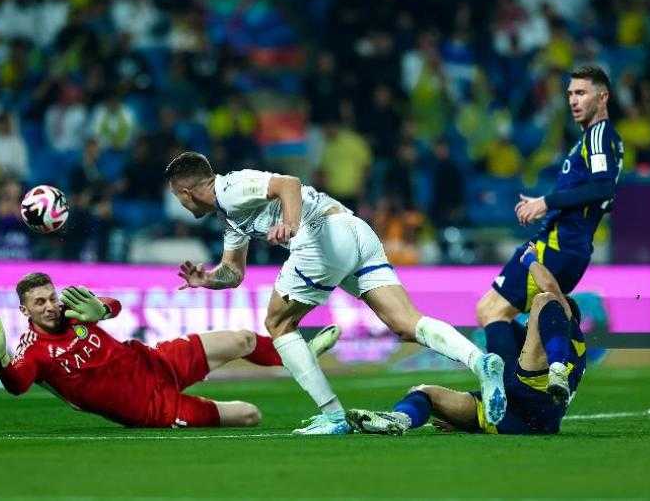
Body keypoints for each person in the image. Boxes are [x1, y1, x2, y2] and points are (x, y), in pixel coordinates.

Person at [166, 152, 506, 435]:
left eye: (176, 197)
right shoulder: (230, 216)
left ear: (185, 191)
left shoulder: (230, 188)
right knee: (405, 323)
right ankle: (480, 362)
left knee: (278, 323)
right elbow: (234, 272)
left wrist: (291, 224)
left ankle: (333, 416)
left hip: (320, 236)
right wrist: (206, 279)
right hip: (355, 232)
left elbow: (288, 184)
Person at [0, 272, 338, 428]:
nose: (50, 306)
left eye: (51, 297)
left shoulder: (72, 310)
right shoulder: (32, 350)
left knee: (243, 339)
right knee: (250, 414)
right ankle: (297, 361)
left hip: (156, 361)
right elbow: (17, 383)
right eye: (40, 302)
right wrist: (0, 358)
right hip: (152, 408)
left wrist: (101, 310)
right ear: (24, 310)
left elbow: (113, 305)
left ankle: (299, 354)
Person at [346, 242, 586, 435]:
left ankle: (556, 369)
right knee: (425, 392)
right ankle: (398, 419)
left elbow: (550, 290)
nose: (528, 322)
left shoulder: (566, 327)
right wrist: (464, 423)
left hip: (534, 394)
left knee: (544, 299)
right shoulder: (569, 351)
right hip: (509, 415)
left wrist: (530, 260)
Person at [476, 66, 622, 373]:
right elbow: (601, 197)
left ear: (603, 97)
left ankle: (514, 386)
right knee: (497, 313)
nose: (573, 100)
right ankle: (543, 369)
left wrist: (546, 202)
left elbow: (603, 188)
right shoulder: (600, 140)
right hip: (566, 245)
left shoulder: (598, 136)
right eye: (570, 94)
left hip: (558, 246)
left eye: (581, 93)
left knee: (492, 311)